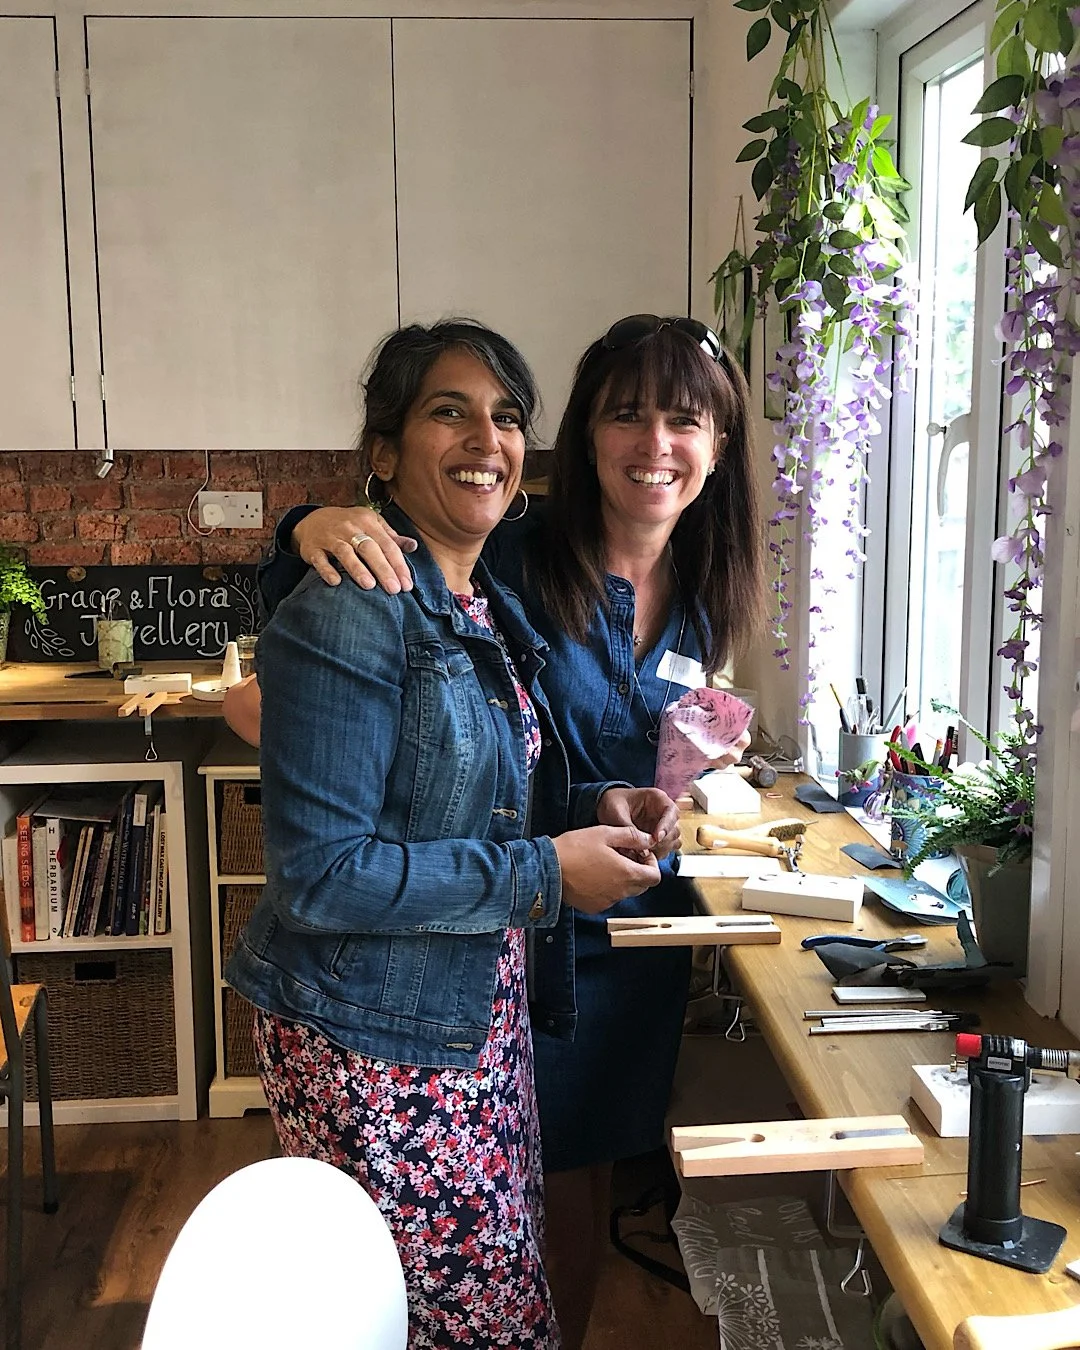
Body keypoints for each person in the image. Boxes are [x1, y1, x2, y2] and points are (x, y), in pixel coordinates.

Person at [240, 313, 765, 1348]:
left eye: (684, 419)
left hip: (571, 947)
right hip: (456, 967)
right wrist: (305, 526)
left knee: (531, 1253)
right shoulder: (506, 555)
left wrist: (618, 804)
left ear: (721, 444)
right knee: (455, 1284)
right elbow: (327, 614)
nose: (655, 444)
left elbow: (504, 772)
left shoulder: (684, 592)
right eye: (626, 414)